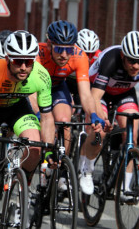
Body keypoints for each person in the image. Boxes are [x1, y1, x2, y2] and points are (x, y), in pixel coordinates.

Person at [0, 31, 55, 228]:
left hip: (17, 108)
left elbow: (48, 117)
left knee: (35, 148)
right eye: (17, 61)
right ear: (7, 58)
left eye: (28, 61)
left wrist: (48, 150)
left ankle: (21, 186)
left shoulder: (41, 76)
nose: (24, 67)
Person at [82, 31, 139, 195]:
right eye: (131, 60)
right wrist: (103, 118)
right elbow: (95, 97)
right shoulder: (111, 60)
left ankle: (125, 187)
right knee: (99, 132)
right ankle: (87, 169)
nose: (136, 66)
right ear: (123, 55)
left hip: (124, 93)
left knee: (132, 137)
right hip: (99, 91)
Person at [34, 20, 104, 192]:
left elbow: (86, 94)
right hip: (35, 89)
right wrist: (38, 113)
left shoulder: (79, 56)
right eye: (59, 49)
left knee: (65, 120)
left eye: (69, 49)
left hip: (57, 87)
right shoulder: (38, 53)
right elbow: (30, 92)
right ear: (49, 44)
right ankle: (42, 162)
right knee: (44, 121)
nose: (64, 55)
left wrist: (93, 115)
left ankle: (62, 166)